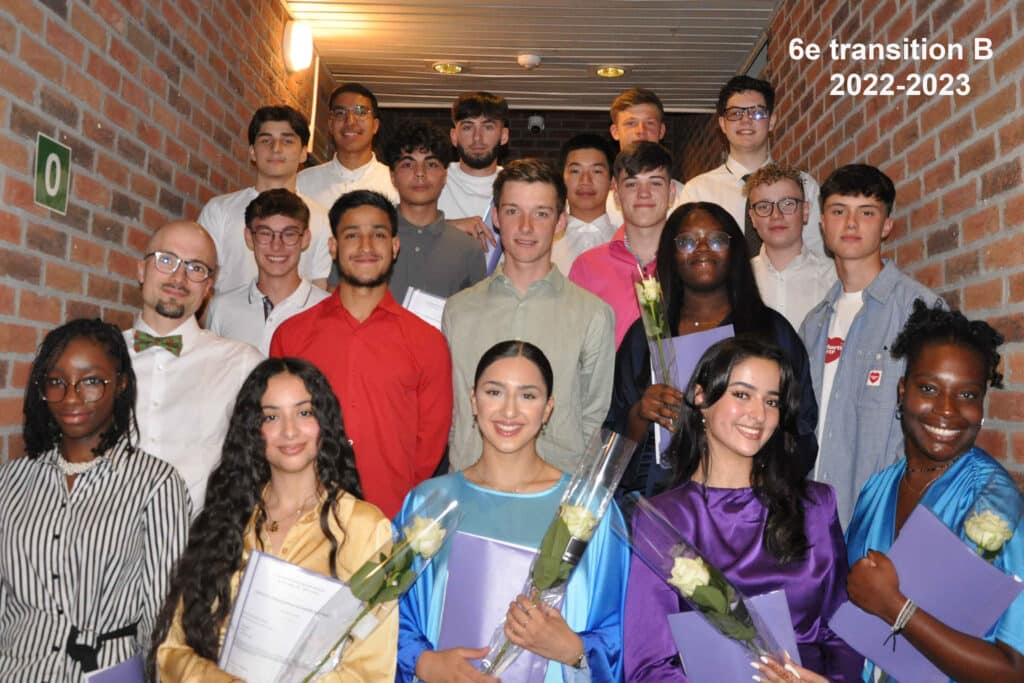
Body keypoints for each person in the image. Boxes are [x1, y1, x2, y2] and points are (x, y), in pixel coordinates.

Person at [623, 337, 863, 681]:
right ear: (701, 397)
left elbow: (843, 630)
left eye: (771, 401)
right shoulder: (662, 520)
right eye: (741, 394)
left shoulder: (815, 505)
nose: (759, 414)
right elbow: (649, 664)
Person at [396, 341, 629, 682]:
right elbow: (388, 615)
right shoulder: (429, 503)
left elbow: (620, 630)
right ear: (473, 400)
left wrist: (575, 650)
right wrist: (424, 663)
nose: (509, 411)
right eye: (494, 392)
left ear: (547, 409)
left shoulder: (587, 510)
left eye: (527, 396)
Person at [153, 357, 398, 681]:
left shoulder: (364, 528)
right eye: (271, 416)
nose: (290, 430)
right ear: (252, 431)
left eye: (304, 412)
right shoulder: (224, 520)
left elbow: (369, 670)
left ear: (325, 422)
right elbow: (171, 652)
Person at [0, 318, 190, 679]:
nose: (71, 397)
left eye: (91, 381)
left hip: (105, 672)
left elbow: (163, 619)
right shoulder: (10, 481)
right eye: (57, 381)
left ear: (120, 383)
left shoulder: (155, 484)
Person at [845, 300, 1024, 682]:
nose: (946, 410)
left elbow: (1014, 670)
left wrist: (895, 607)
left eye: (967, 395)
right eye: (928, 388)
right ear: (902, 391)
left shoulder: (996, 506)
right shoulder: (877, 489)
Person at [608, 202, 818, 497]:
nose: (703, 249)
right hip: (658, 501)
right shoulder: (644, 336)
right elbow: (612, 436)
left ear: (735, 251)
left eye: (717, 240)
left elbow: (802, 427)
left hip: (747, 502)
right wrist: (640, 414)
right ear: (670, 254)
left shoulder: (771, 331)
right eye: (687, 242)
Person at [270, 190, 452, 518]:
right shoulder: (291, 336)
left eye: (378, 235)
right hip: (301, 519)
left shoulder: (428, 342)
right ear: (333, 247)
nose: (366, 246)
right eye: (352, 235)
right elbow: (274, 427)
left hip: (389, 520)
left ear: (394, 247)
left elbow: (430, 446)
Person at [443, 159, 615, 474]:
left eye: (541, 213)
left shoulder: (593, 314)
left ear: (561, 222)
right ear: (496, 217)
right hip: (471, 486)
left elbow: (593, 416)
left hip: (556, 489)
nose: (526, 226)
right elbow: (454, 412)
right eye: (513, 211)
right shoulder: (458, 310)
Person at [800, 164, 943, 527]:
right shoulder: (813, 325)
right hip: (813, 521)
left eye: (866, 212)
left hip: (883, 522)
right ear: (822, 224)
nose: (851, 224)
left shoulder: (921, 311)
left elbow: (938, 434)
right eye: (838, 211)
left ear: (886, 226)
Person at [128, 220, 263, 511]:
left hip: (196, 536)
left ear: (208, 287)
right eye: (166, 260)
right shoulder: (101, 356)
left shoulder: (242, 364)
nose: (179, 277)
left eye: (196, 268)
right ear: (141, 270)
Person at [677, 75, 824, 256]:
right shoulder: (698, 192)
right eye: (735, 113)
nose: (745, 120)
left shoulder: (804, 185)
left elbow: (819, 255)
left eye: (756, 112)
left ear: (771, 121)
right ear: (722, 124)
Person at [197, 105, 331, 291]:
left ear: (303, 153)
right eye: (266, 140)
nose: (276, 148)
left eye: (287, 141)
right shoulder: (220, 210)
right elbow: (200, 276)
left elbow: (319, 286)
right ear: (252, 151)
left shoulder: (322, 218)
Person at [570, 142, 677, 347]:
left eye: (655, 183)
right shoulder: (587, 267)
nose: (643, 193)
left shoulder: (689, 262)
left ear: (671, 192)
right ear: (617, 195)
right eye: (631, 184)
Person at [205, 188, 330, 354]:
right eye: (265, 233)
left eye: (289, 234)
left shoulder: (329, 310)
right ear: (249, 238)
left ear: (305, 239)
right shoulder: (221, 308)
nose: (276, 246)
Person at [384, 122, 486, 303]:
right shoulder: (368, 239)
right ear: (392, 176)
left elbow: (478, 315)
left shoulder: (469, 249)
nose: (420, 173)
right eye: (408, 164)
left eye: (431, 164)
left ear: (445, 175)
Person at [745, 163, 837, 331]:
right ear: (752, 218)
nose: (776, 215)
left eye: (787, 203)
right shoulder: (737, 279)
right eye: (764, 206)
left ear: (805, 211)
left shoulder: (835, 279)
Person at [297, 83, 399, 208]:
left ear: (375, 125)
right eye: (340, 113)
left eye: (360, 112)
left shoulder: (395, 183)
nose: (350, 121)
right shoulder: (303, 183)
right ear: (330, 125)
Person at [437, 91, 510, 250]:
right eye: (468, 127)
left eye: (488, 127)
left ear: (504, 136)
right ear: (454, 136)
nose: (477, 137)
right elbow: (402, 229)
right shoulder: (432, 180)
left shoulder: (515, 185)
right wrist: (448, 227)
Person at [605, 88, 684, 226]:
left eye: (649, 123)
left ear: (661, 131)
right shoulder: (595, 200)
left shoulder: (684, 197)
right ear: (615, 132)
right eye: (631, 123)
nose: (641, 131)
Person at [551, 133, 617, 275]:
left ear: (612, 181)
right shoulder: (544, 244)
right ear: (562, 179)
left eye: (596, 171)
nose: (585, 180)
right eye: (575, 171)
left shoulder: (628, 242)